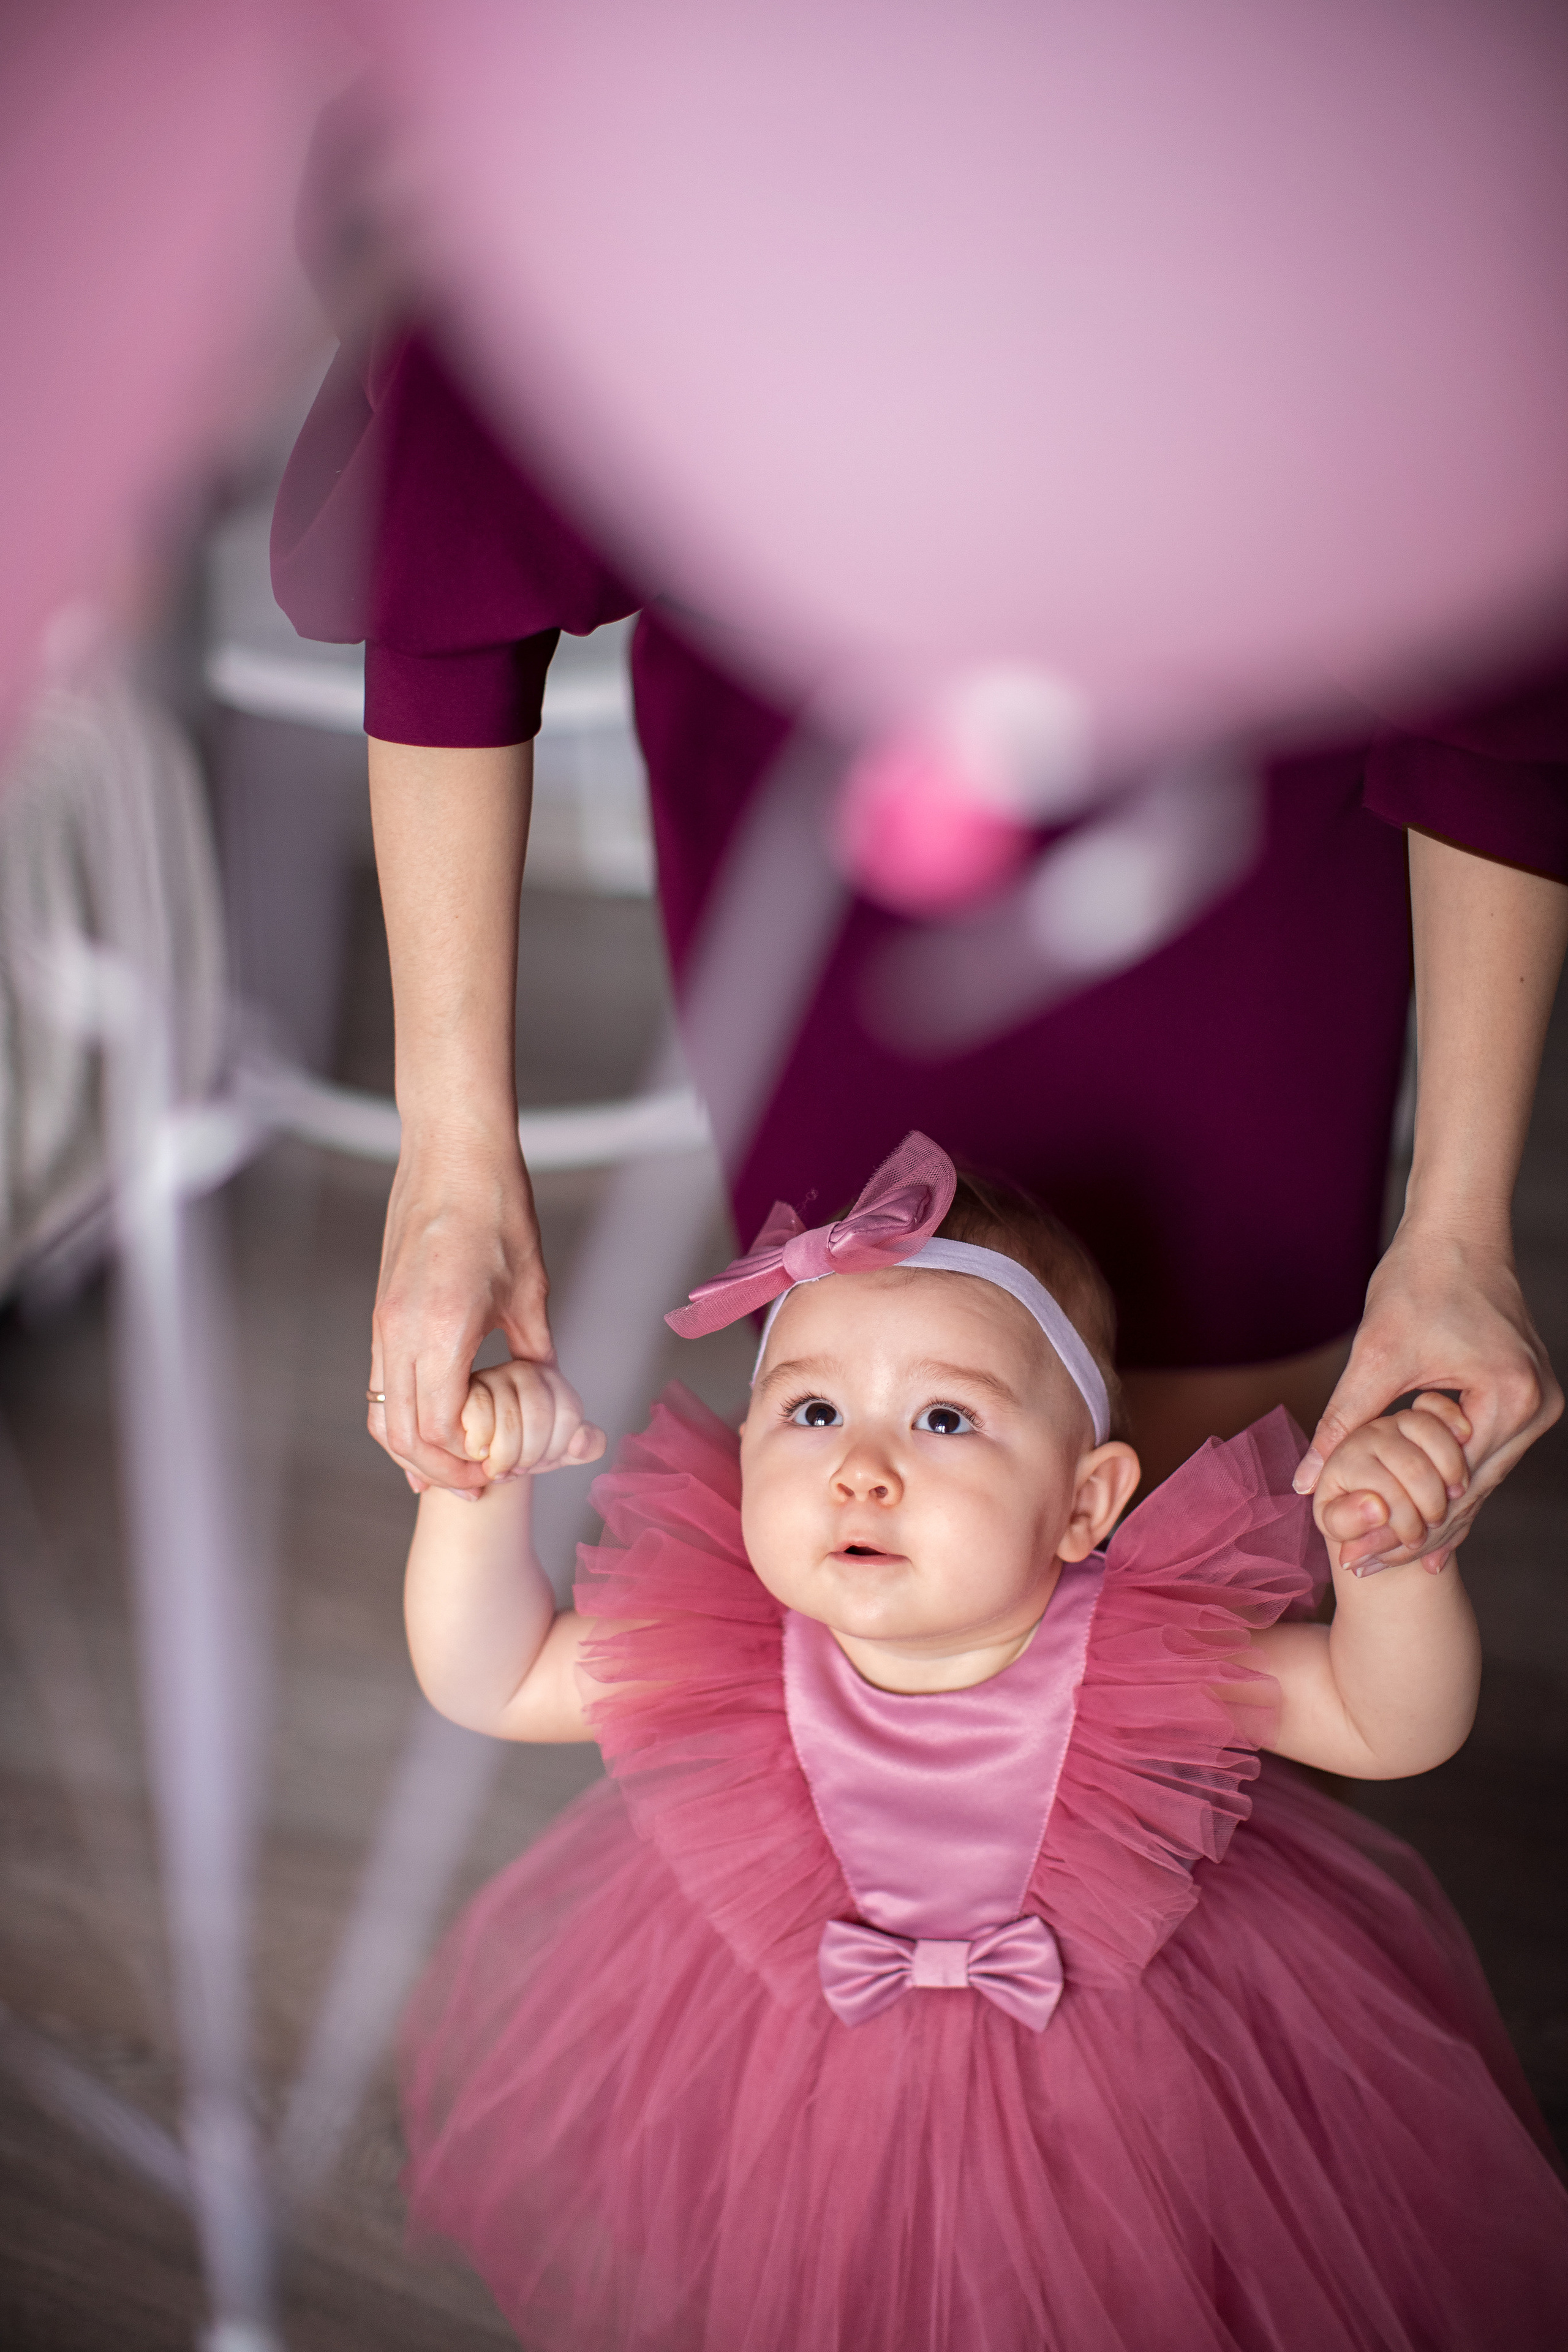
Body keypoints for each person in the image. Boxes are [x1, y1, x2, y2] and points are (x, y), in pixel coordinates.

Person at [271, 328, 1568, 1534]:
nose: (865, 1466)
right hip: (808, 784)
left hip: (1245, 755)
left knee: (1216, 1509)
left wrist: (1455, 1226)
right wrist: (449, 1159)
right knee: (855, 1381)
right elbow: (461, 497)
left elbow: (1494, 655)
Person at [396, 1134, 1567, 2352]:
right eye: (808, 1409)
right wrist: (471, 1491)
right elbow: (491, 1676)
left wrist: (1390, 1553)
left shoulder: (1141, 1664)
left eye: (943, 1417)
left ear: (1083, 1504)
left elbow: (1394, 1727)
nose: (858, 1468)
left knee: (1134, 2283)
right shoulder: (723, 1655)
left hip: (1133, 2073)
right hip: (808, 2071)